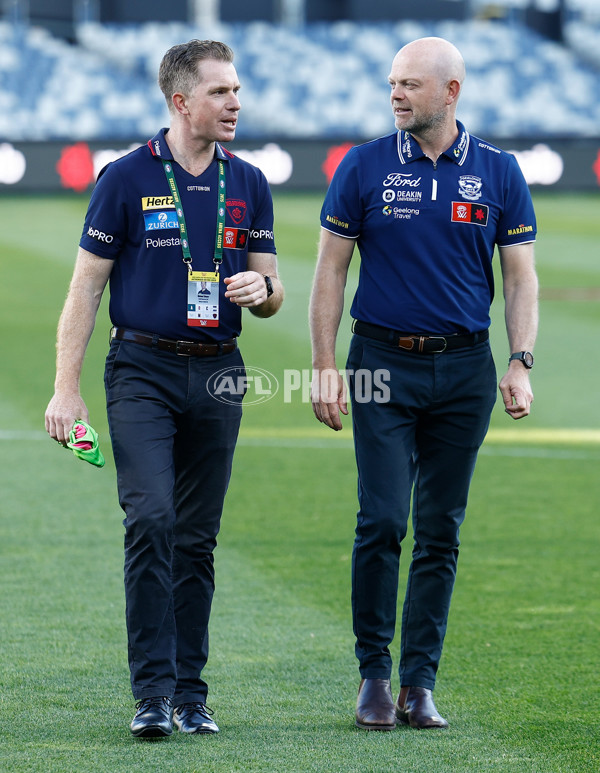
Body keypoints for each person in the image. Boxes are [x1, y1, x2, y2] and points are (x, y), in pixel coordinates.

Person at [45, 39, 283, 739]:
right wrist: (67, 389)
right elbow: (86, 286)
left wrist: (261, 287)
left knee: (198, 538)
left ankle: (191, 694)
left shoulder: (250, 182)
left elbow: (271, 291)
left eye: (236, 90)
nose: (235, 103)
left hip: (218, 369)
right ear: (181, 102)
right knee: (151, 519)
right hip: (142, 369)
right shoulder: (124, 177)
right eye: (220, 92)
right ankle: (150, 694)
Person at [309, 37, 538, 731]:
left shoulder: (499, 172)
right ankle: (373, 676)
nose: (396, 94)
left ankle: (419, 682)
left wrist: (520, 359)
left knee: (441, 528)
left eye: (410, 83)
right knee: (382, 518)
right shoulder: (364, 165)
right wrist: (323, 363)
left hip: (466, 370)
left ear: (451, 92)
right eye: (392, 83)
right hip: (380, 361)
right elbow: (329, 272)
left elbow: (520, 276)